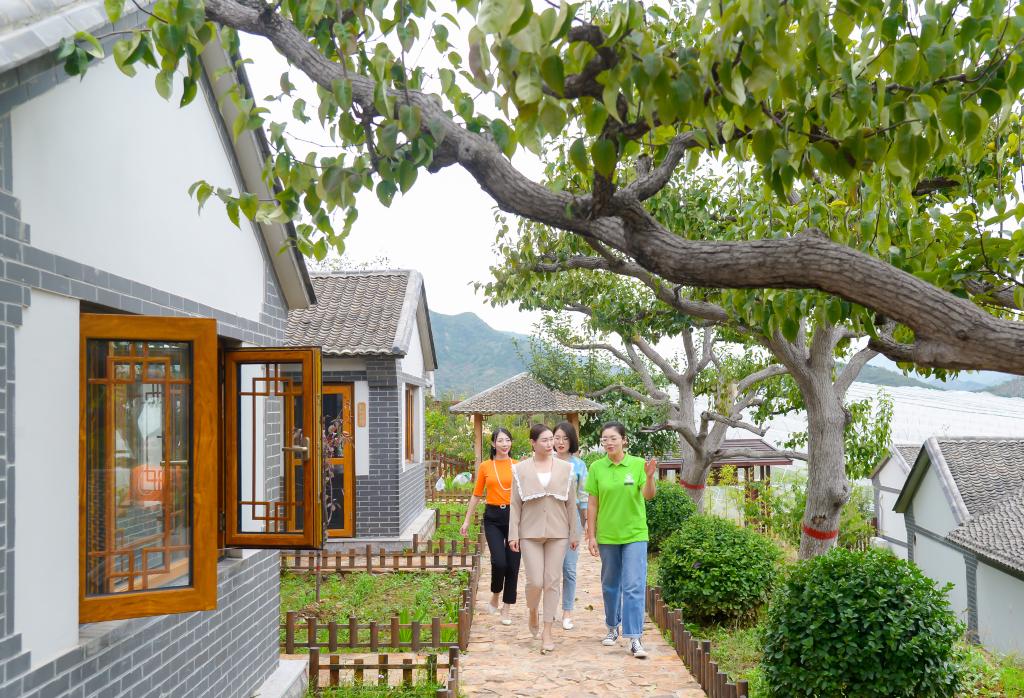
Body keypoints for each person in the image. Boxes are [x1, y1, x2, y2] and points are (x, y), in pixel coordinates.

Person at [585, 421, 657, 659]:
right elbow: (592, 504)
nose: (609, 443)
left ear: (624, 440)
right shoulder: (597, 467)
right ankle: (612, 626)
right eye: (605, 439)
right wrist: (591, 535)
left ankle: (635, 637)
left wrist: (649, 478)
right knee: (610, 584)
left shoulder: (637, 464)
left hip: (635, 534)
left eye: (613, 438)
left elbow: (648, 495)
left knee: (634, 585)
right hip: (608, 535)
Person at [508, 424, 580, 654]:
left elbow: (571, 503)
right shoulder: (520, 469)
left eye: (552, 439)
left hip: (558, 533)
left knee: (552, 581)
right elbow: (515, 504)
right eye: (545, 440)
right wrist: (513, 534)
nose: (551, 444)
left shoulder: (566, 468)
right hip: (529, 533)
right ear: (533, 443)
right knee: (535, 582)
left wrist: (574, 533)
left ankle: (547, 630)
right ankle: (532, 609)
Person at [461, 428, 519, 626]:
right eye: (500, 440)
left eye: (508, 440)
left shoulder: (518, 466)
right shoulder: (486, 466)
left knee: (513, 564)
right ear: (493, 444)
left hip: (514, 517)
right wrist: (467, 520)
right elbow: (477, 494)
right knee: (499, 562)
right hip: (493, 517)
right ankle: (495, 593)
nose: (505, 444)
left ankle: (507, 607)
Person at [553, 421, 587, 630]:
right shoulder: (545, 461)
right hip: (550, 519)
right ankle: (550, 608)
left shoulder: (579, 465)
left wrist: (585, 526)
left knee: (569, 568)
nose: (561, 442)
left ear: (571, 440)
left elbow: (583, 498)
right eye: (557, 438)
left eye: (565, 438)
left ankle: (567, 612)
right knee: (551, 570)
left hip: (572, 519)